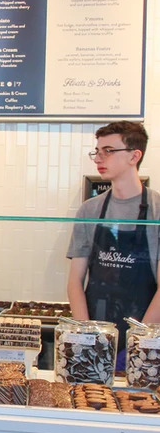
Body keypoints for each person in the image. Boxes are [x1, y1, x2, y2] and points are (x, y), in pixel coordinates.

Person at [67, 121, 160, 361]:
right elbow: (75, 281)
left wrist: (137, 342)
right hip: (95, 327)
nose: (99, 158)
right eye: (97, 151)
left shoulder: (157, 211)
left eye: (108, 151)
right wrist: (88, 337)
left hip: (146, 335)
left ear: (134, 156)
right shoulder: (89, 210)